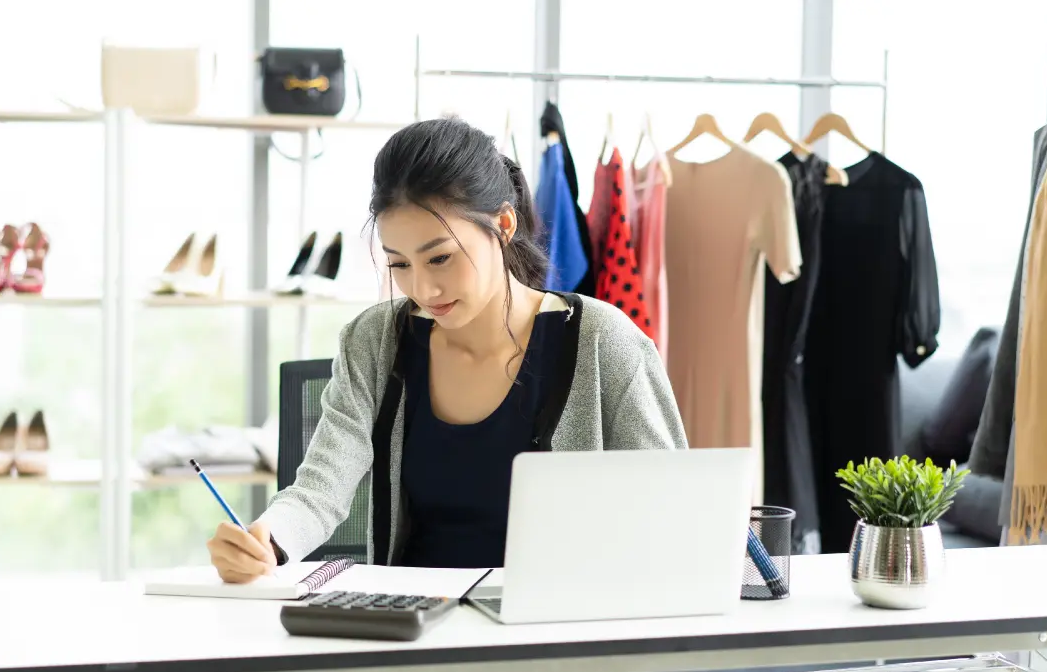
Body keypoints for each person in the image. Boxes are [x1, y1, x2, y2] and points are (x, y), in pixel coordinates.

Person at [206, 117, 688, 583]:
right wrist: (267, 541)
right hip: (414, 627)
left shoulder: (603, 340)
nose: (424, 288)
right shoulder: (373, 341)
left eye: (441, 257)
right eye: (399, 265)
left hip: (553, 630)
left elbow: (673, 511)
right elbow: (320, 489)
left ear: (503, 224)